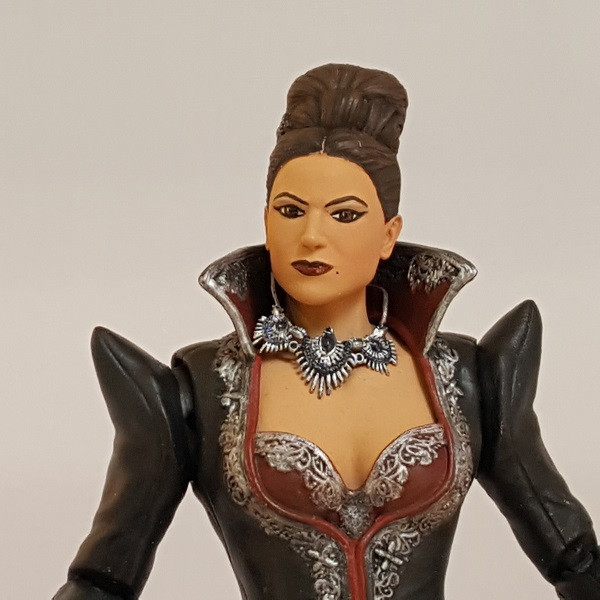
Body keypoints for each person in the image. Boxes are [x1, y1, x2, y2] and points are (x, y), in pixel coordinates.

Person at [53, 64, 600, 600]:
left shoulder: (468, 377)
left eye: (344, 215)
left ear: (388, 235)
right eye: (290, 211)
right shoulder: (197, 392)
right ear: (266, 222)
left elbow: (573, 558)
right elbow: (103, 581)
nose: (312, 236)